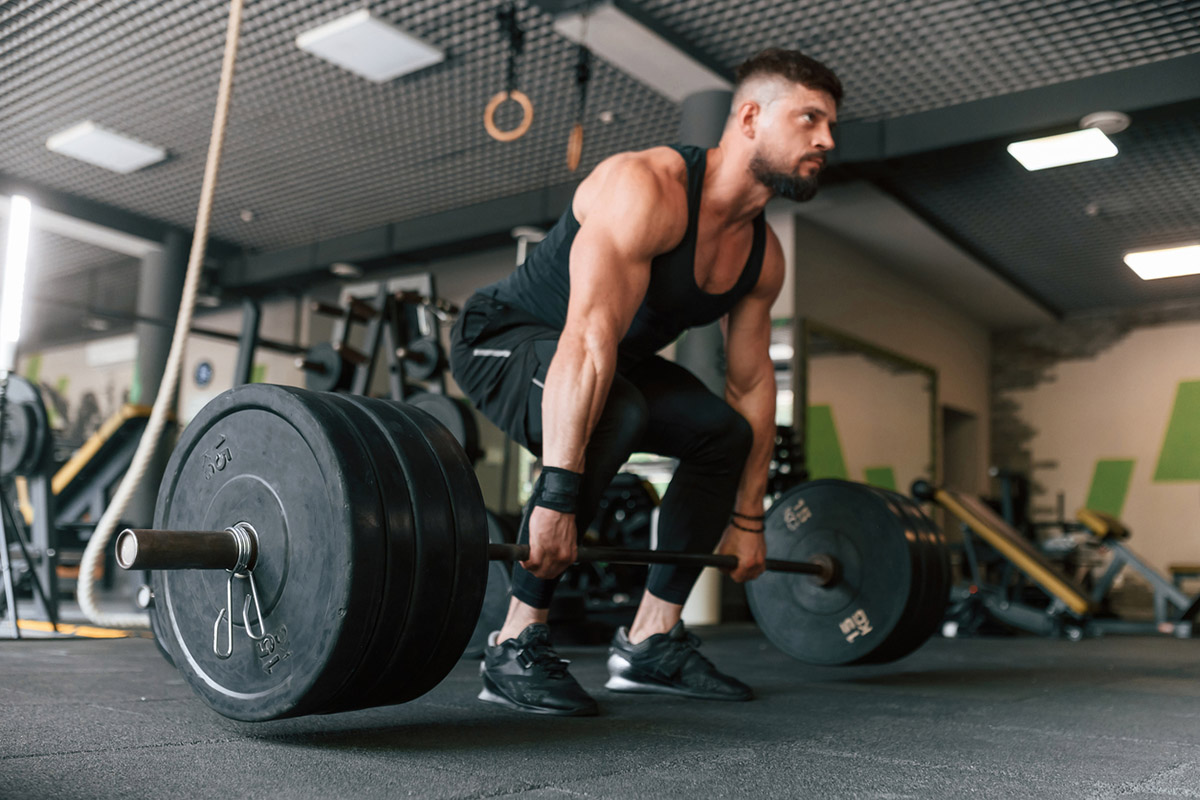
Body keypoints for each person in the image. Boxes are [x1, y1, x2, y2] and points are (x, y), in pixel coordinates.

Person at [450, 48, 840, 716]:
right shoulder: (646, 187)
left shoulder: (761, 255)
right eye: (810, 119)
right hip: (505, 339)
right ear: (749, 116)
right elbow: (589, 337)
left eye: (831, 126)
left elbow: (750, 389)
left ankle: (650, 641)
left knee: (719, 433)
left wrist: (749, 520)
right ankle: (515, 640)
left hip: (608, 363)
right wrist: (556, 496)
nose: (827, 140)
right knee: (618, 406)